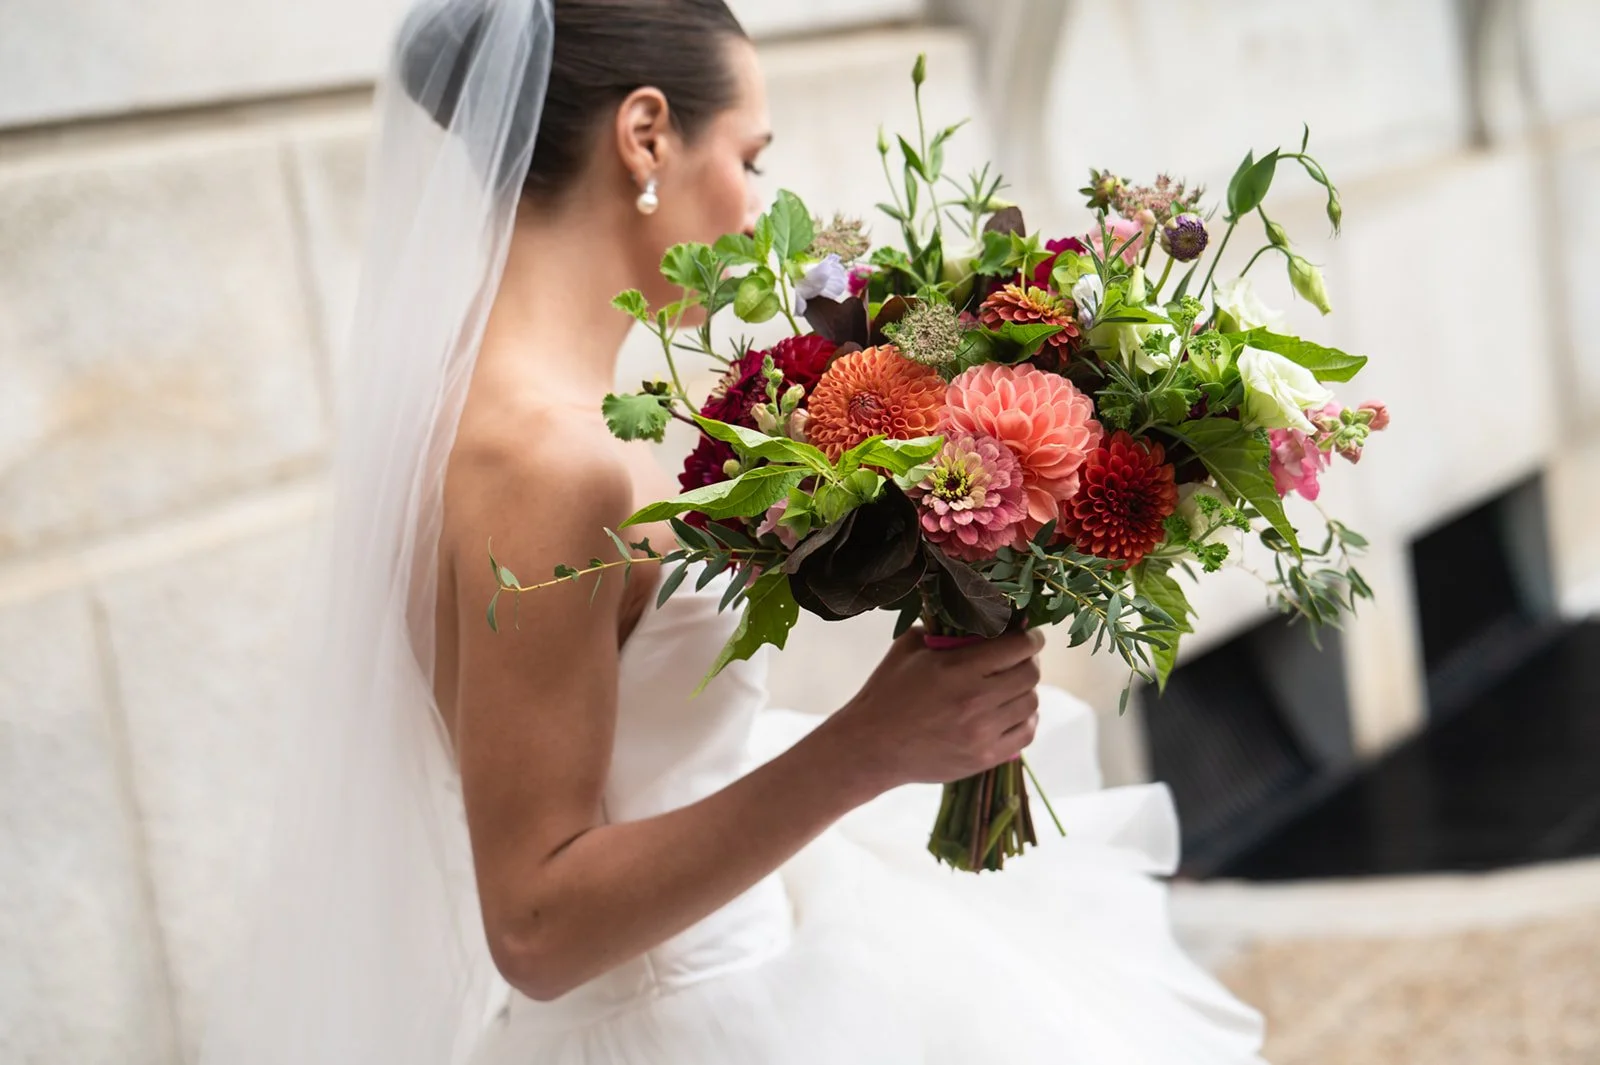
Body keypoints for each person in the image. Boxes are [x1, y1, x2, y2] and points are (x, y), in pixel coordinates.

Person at [200, 1, 1268, 1063]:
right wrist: (868, 747)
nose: (763, 210)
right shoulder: (543, 461)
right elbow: (534, 923)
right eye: (752, 158)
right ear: (646, 135)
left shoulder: (503, 415)